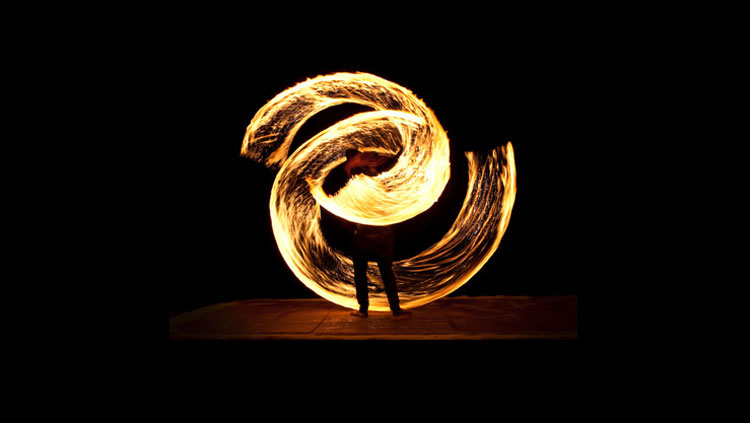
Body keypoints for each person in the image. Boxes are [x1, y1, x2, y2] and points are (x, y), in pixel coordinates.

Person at [340, 149, 412, 319]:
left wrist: (354, 229)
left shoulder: (356, 183)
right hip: (382, 233)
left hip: (365, 234)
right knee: (386, 272)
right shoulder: (379, 180)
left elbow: (346, 212)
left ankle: (363, 310)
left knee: (361, 273)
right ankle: (395, 309)